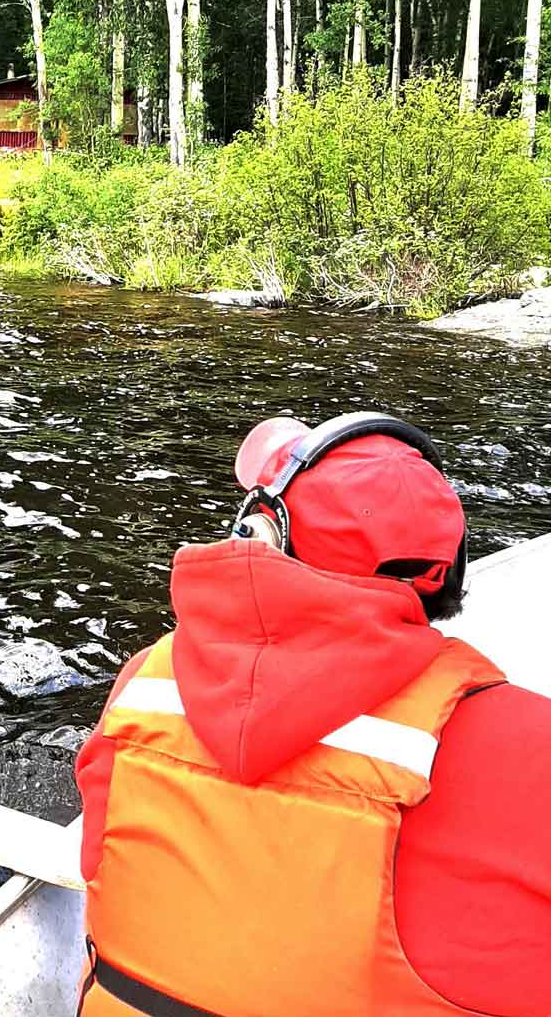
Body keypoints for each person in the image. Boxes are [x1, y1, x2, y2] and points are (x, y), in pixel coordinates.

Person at [75, 411, 551, 1017]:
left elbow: (98, 863)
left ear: (258, 533)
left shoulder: (145, 682)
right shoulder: (530, 747)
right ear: (446, 573)